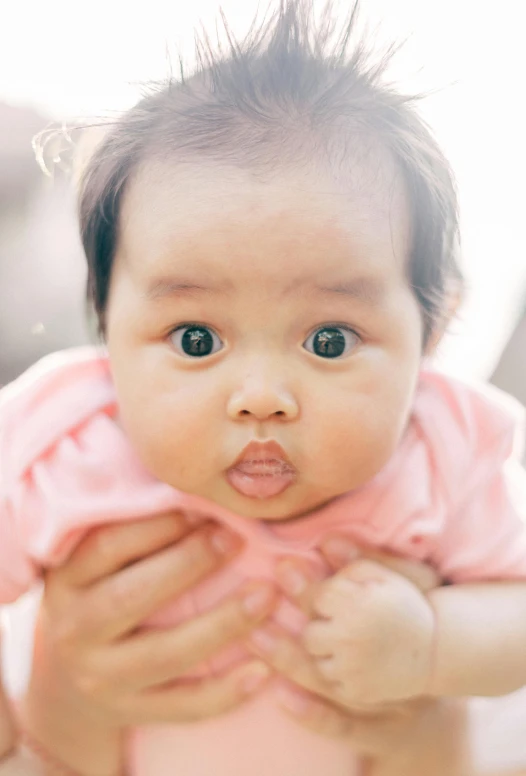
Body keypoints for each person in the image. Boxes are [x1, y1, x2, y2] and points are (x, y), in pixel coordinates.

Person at [1, 0, 526, 773]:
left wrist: (430, 642)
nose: (260, 397)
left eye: (329, 340)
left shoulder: (444, 453)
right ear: (106, 329)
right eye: (196, 339)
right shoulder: (64, 438)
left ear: (434, 330)